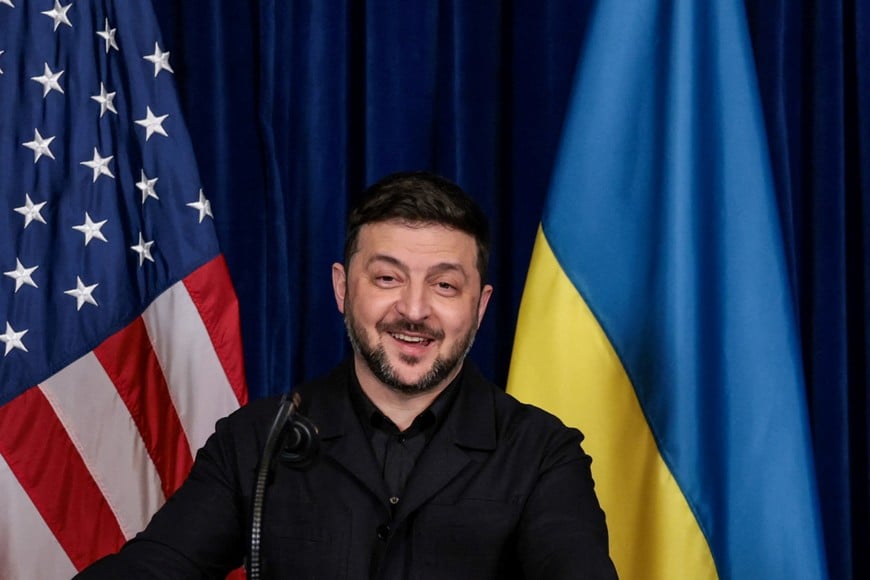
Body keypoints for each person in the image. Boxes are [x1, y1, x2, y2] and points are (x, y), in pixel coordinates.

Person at [76, 171, 617, 579]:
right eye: (387, 278)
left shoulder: (544, 453)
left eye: (445, 285)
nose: (414, 308)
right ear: (342, 289)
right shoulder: (255, 441)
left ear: (480, 307)